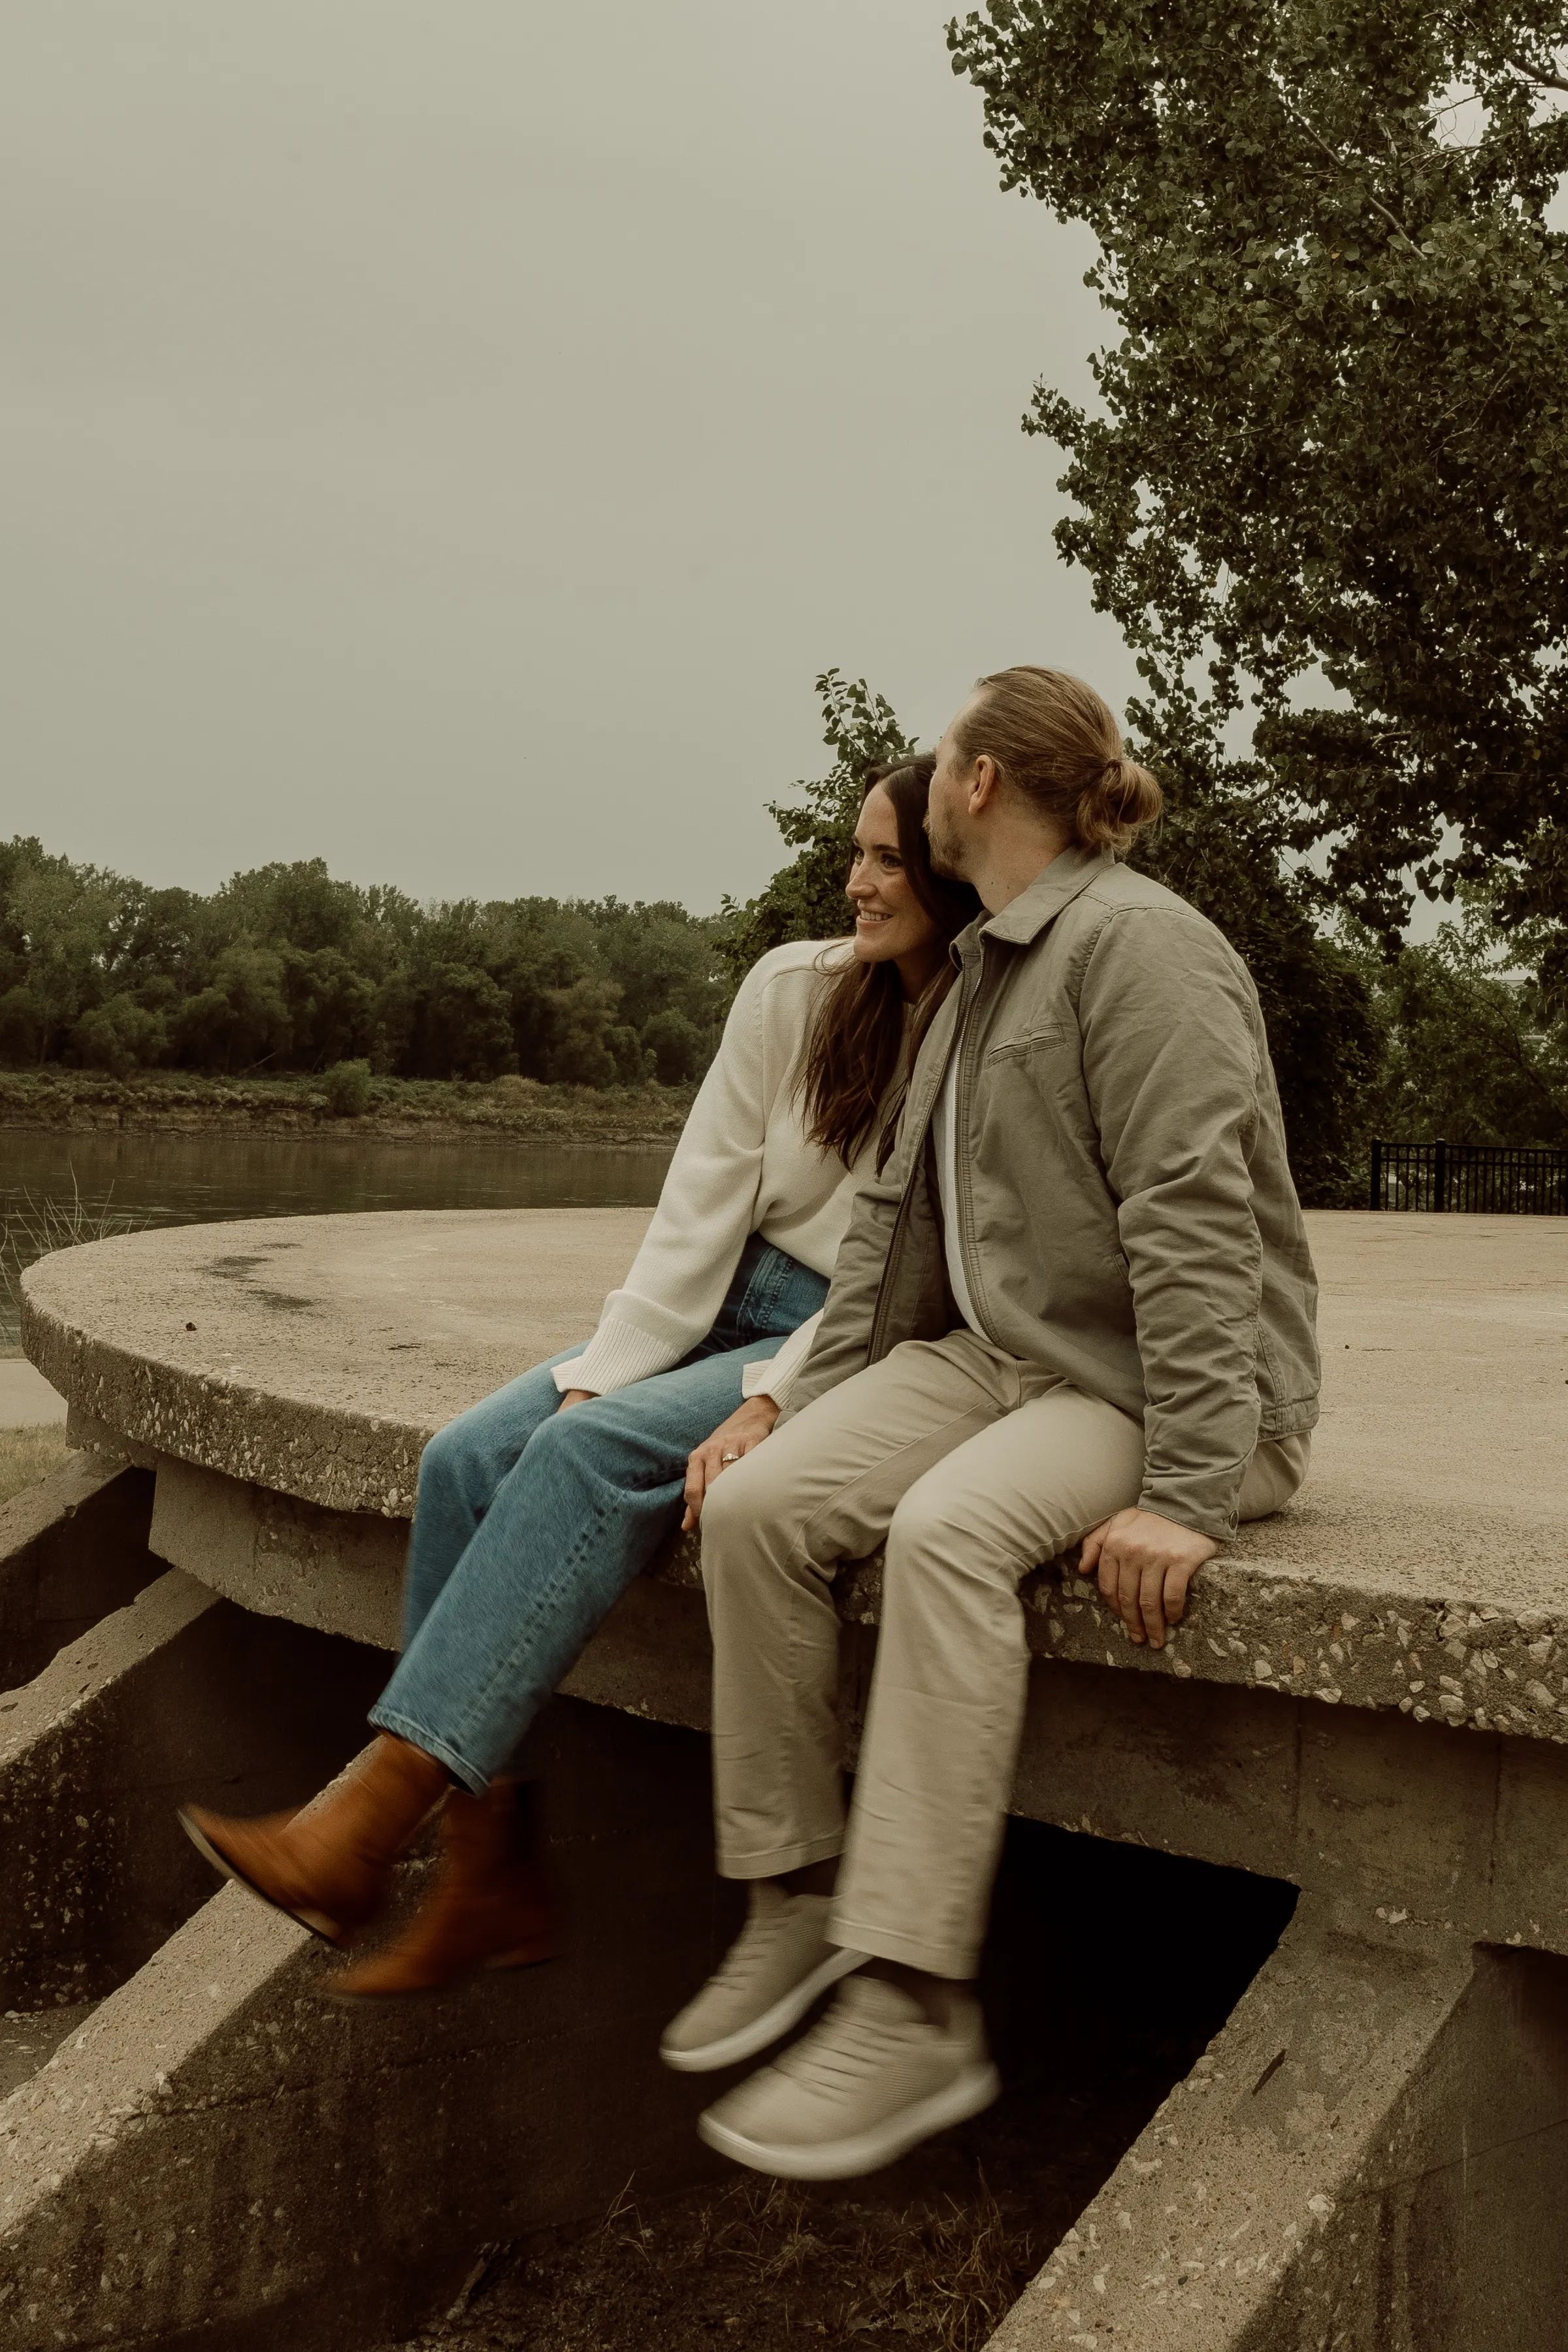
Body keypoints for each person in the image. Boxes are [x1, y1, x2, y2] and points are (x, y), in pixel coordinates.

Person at [662, 666, 1320, 2180]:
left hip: (1162, 1390)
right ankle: (797, 1899)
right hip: (1007, 1361)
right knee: (762, 1513)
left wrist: (1196, 1491)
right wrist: (787, 1406)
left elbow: (1196, 1221)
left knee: (954, 1532)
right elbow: (892, 1232)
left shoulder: (1144, 949)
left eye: (944, 748)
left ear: (976, 788)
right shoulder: (984, 968)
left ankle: (912, 2003)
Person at [179, 757, 979, 1999]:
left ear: (945, 870)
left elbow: (901, 1278)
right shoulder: (796, 989)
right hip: (723, 1296)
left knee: (586, 1461)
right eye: (858, 851)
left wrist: (776, 1395)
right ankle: (485, 1882)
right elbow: (702, 1201)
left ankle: (366, 1829)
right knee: (469, 1457)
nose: (858, 880)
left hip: (841, 1335)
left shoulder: (981, 1036)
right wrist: (608, 1368)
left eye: (887, 858)